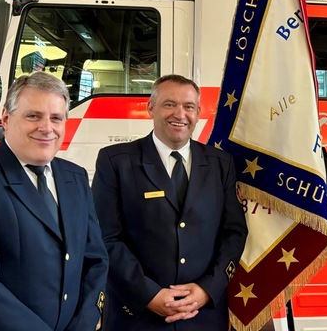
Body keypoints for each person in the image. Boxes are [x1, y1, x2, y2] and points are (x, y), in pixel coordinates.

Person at [0, 72, 108, 331]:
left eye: (56, 118)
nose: (47, 127)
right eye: (33, 116)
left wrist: (83, 324)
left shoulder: (75, 177)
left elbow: (95, 259)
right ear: (6, 118)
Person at [93, 74, 248, 330]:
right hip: (137, 315)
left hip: (203, 315)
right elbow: (106, 237)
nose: (180, 114)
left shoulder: (221, 164)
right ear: (151, 108)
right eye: (169, 104)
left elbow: (234, 233)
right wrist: (149, 295)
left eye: (189, 107)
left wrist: (207, 290)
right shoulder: (116, 161)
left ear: (198, 113)